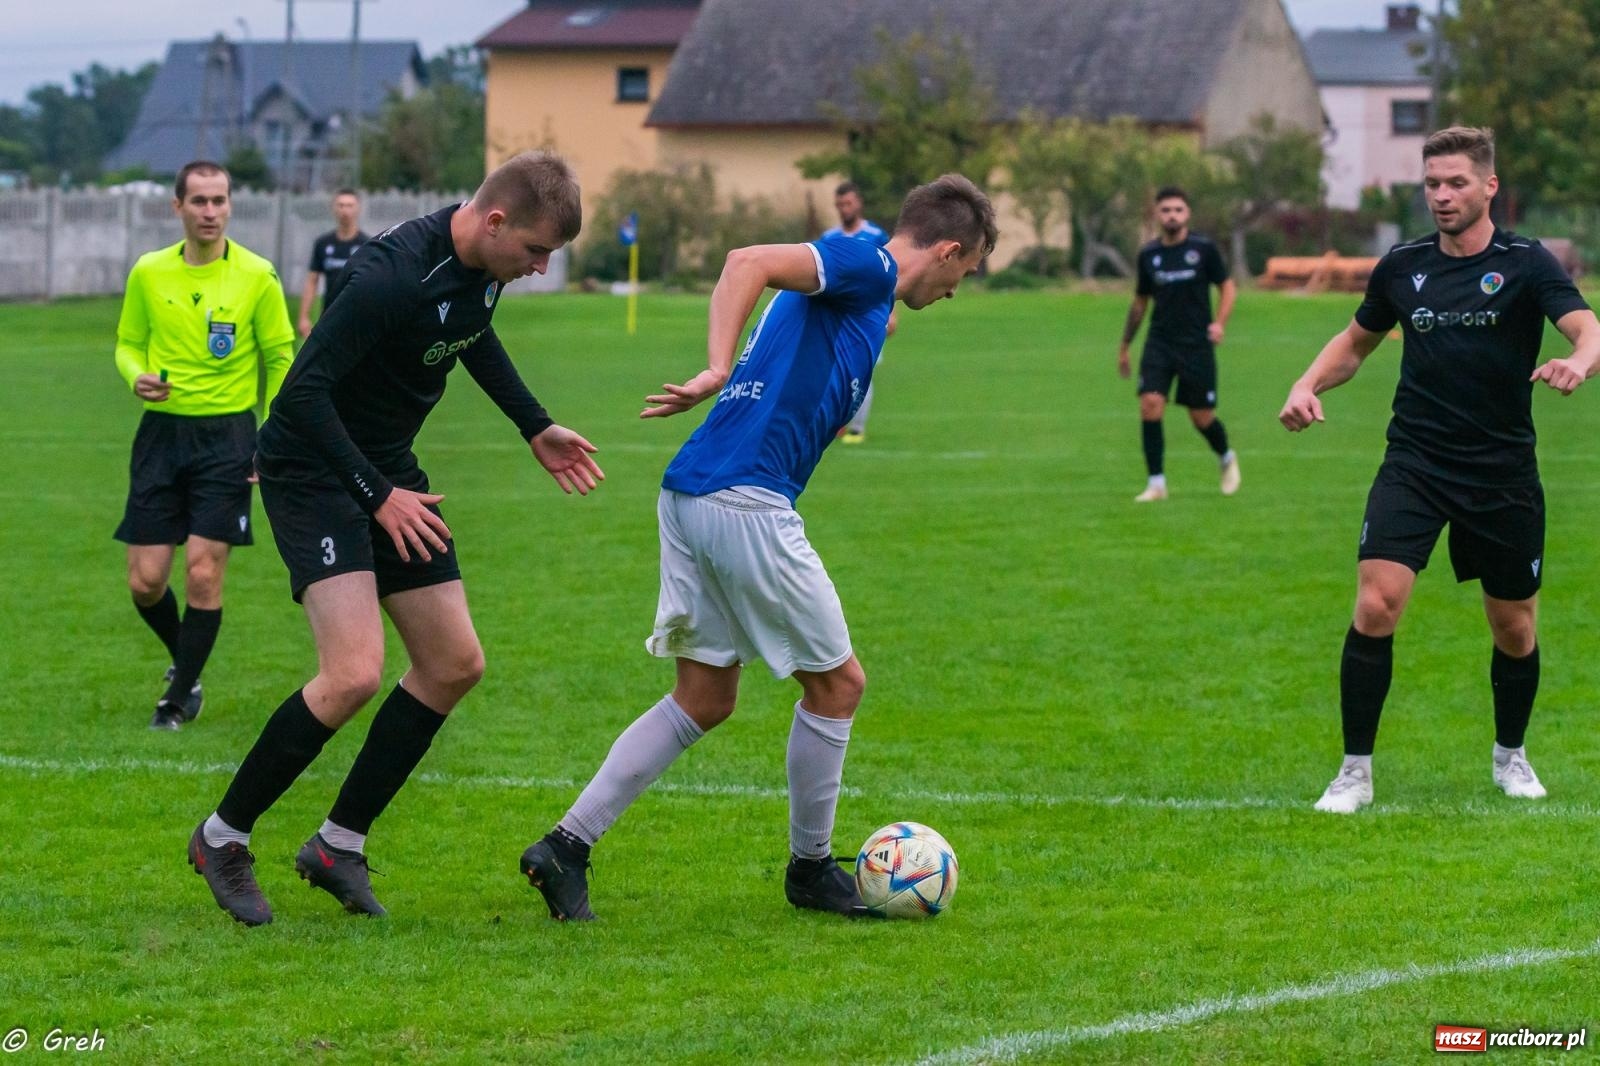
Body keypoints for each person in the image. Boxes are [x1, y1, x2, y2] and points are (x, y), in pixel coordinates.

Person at [519, 174, 997, 921]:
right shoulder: (866, 264)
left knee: (704, 697)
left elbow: (818, 322)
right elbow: (747, 261)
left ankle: (566, 846)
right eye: (962, 275)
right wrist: (716, 368)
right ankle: (810, 870)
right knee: (838, 687)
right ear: (947, 249)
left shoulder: (865, 293)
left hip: (691, 494)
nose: (956, 291)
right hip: (745, 497)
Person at [187, 151, 604, 926]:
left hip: (385, 471)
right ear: (495, 221)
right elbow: (300, 392)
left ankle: (337, 844)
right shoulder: (387, 275)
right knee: (351, 674)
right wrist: (376, 497)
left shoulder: (481, 267)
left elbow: (470, 332)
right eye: (536, 252)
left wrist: (535, 425)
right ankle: (222, 838)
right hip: (313, 470)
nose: (541, 269)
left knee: (452, 664)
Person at [1279, 126, 1600, 813]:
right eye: (1432, 184)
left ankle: (1510, 755)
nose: (1442, 196)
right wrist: (1308, 384)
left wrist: (1578, 360)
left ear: (1489, 187)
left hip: (1502, 471)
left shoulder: (1526, 262)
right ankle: (1354, 772)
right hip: (1416, 462)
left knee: (1514, 628)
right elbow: (1356, 342)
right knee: (1375, 605)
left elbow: (1586, 325)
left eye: (1456, 183)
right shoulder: (1402, 264)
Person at [113, 160, 294, 731]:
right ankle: (184, 660)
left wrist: (272, 435)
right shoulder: (149, 272)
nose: (210, 212)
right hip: (161, 436)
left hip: (230, 438)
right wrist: (135, 375)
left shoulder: (257, 276)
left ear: (230, 206)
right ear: (178, 208)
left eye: (219, 201)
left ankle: (178, 698)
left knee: (203, 574)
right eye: (199, 202)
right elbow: (126, 344)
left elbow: (281, 359)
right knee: (145, 581)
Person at [1117, 186, 1239, 501]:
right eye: (1166, 210)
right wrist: (1125, 346)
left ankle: (1226, 456)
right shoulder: (1149, 255)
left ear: (1187, 214)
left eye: (1178, 210)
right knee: (1150, 404)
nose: (1172, 215)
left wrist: (1219, 324)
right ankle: (1156, 483)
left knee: (1201, 417)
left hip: (1196, 344)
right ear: (1157, 215)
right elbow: (1140, 302)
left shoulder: (1204, 249)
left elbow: (1227, 287)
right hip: (1159, 343)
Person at [822, 181, 896, 444]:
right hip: (837, 318)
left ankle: (857, 428)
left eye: (848, 203)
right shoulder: (830, 238)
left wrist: (892, 312)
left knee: (862, 370)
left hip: (869, 315)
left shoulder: (876, 235)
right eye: (840, 204)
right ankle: (838, 423)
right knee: (833, 371)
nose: (844, 209)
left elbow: (891, 275)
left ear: (859, 204)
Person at [297, 188, 369, 339]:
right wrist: (304, 316)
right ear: (333, 208)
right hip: (329, 316)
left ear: (358, 209)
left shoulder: (367, 245)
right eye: (341, 205)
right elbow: (312, 280)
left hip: (358, 319)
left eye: (350, 205)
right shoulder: (323, 243)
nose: (345, 210)